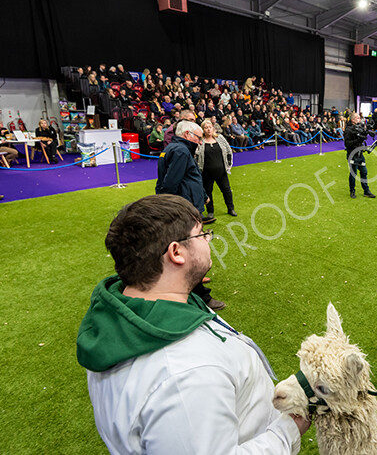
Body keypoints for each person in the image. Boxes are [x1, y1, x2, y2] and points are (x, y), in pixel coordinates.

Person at [76, 194, 308, 454]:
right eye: (201, 234)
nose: (209, 239)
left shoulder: (129, 311)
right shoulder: (186, 376)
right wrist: (289, 429)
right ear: (176, 252)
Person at [156, 120, 222, 310]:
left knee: (183, 249)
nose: (200, 142)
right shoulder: (181, 151)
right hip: (183, 209)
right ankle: (201, 296)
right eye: (198, 138)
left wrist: (202, 195)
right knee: (190, 251)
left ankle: (195, 284)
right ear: (187, 134)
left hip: (183, 205)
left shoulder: (171, 149)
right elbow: (170, 183)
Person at [195, 119, 237, 219]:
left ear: (213, 128)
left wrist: (228, 165)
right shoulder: (200, 142)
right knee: (208, 192)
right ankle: (210, 211)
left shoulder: (220, 138)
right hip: (206, 173)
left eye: (210, 127)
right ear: (203, 130)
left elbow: (228, 151)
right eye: (206, 128)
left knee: (227, 191)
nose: (208, 129)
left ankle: (230, 208)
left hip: (221, 172)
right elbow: (196, 156)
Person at [343, 112, 376, 199]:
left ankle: (366, 191)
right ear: (353, 120)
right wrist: (358, 140)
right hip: (352, 154)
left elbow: (363, 134)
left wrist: (368, 132)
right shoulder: (348, 130)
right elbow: (347, 144)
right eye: (358, 118)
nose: (360, 119)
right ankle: (352, 191)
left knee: (364, 172)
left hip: (360, 154)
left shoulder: (360, 127)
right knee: (353, 173)